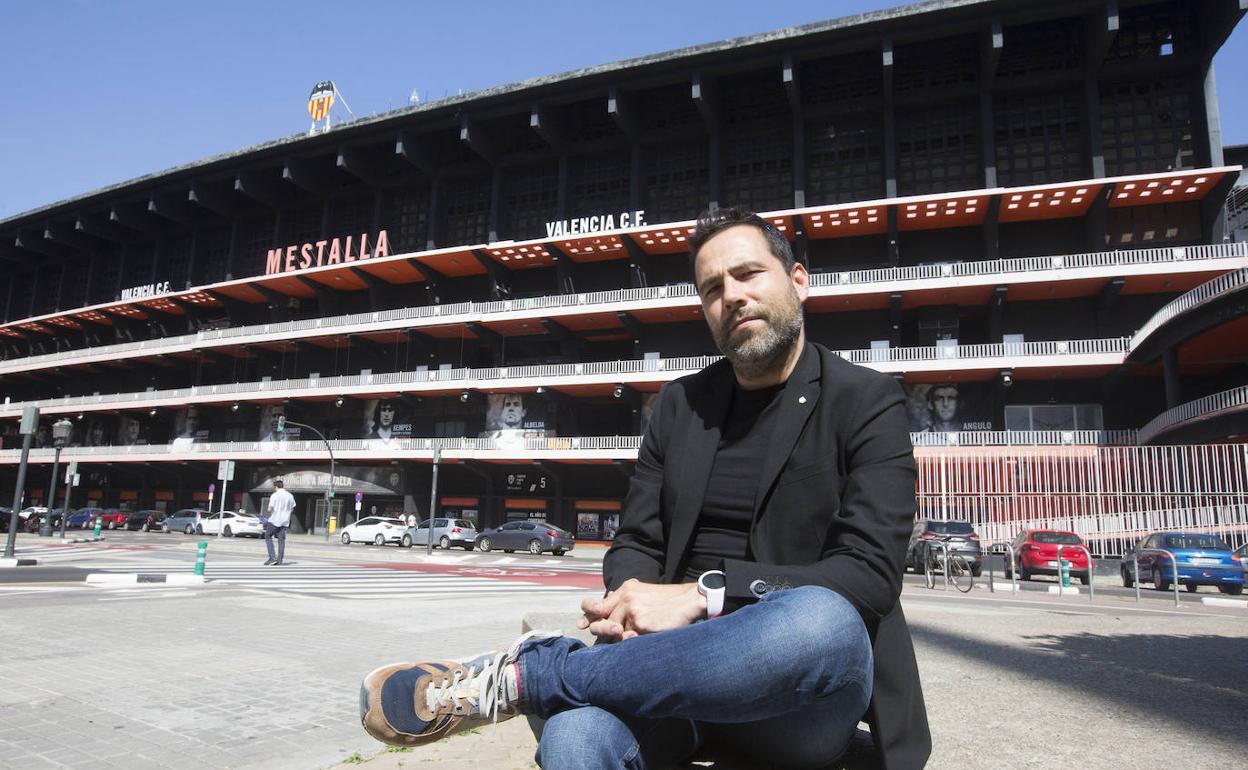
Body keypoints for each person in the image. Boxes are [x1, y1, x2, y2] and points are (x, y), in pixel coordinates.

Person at [358, 208, 930, 769]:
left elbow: (869, 575)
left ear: (798, 282)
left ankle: (532, 676)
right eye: (711, 288)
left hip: (795, 697)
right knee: (574, 741)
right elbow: (634, 539)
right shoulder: (680, 405)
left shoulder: (865, 399)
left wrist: (703, 595)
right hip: (667, 678)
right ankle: (547, 683)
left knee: (823, 621)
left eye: (748, 274)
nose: (731, 296)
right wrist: (630, 598)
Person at [264, 480, 295, 566]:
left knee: (267, 536)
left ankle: (272, 558)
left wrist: (270, 510)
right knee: (281, 540)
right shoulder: (290, 496)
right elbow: (292, 509)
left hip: (274, 520)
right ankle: (280, 560)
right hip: (285, 521)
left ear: (275, 487)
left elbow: (270, 509)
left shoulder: (275, 495)